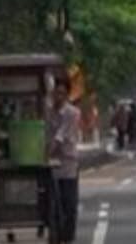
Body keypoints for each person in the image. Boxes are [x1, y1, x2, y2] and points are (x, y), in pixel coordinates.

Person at [48, 74, 82, 243]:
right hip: (50, 165)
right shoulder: (47, 112)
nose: (58, 97)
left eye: (62, 93)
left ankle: (68, 238)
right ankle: (55, 236)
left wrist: (47, 150)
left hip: (68, 163)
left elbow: (60, 136)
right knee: (53, 203)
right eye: (56, 93)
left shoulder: (73, 113)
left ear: (67, 95)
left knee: (69, 203)